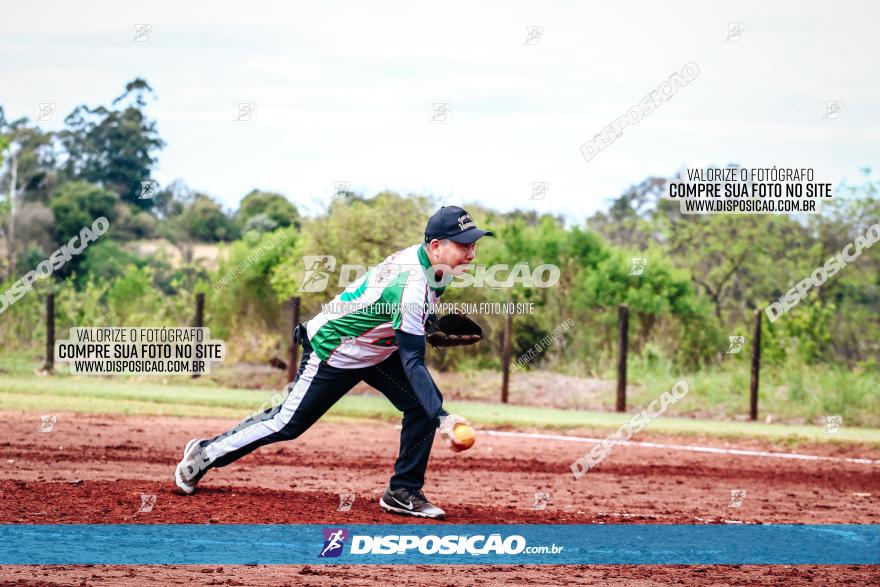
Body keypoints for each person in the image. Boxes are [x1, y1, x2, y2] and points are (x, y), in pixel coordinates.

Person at [174, 206, 493, 519]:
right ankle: (205, 453)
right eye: (464, 245)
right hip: (337, 348)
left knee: (420, 406)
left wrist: (427, 322)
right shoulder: (412, 284)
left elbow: (385, 306)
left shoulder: (434, 266)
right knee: (287, 423)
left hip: (375, 350)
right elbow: (412, 359)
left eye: (474, 244)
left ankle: (402, 492)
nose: (471, 254)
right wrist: (443, 417)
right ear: (436, 245)